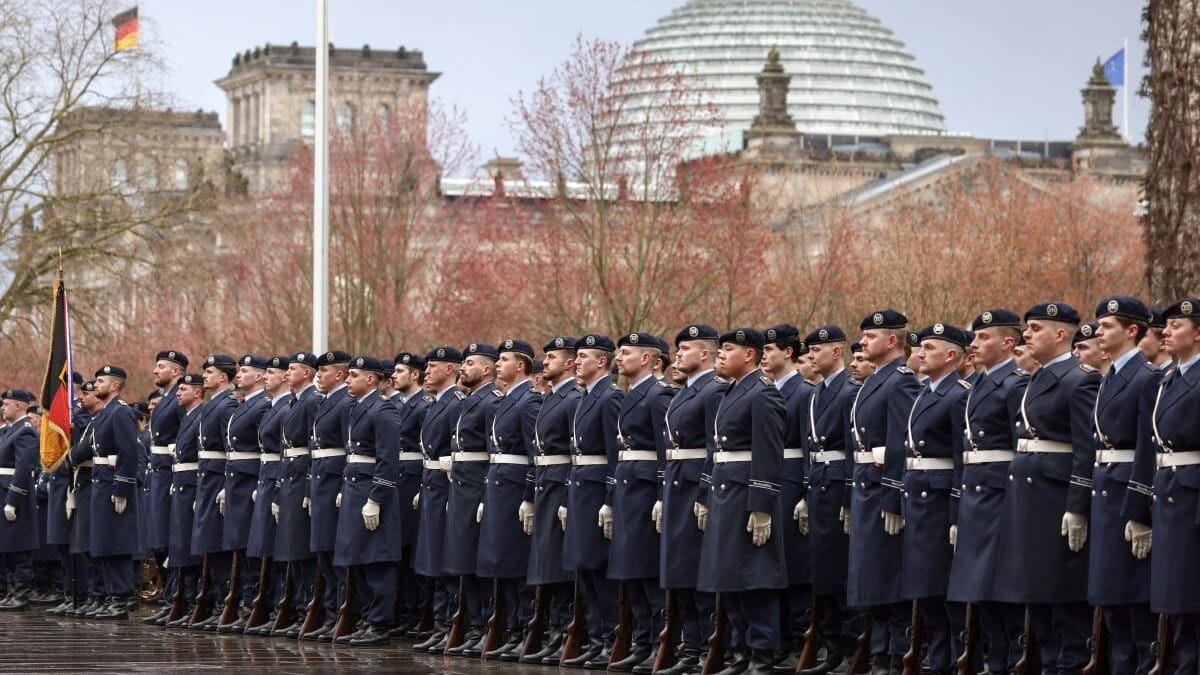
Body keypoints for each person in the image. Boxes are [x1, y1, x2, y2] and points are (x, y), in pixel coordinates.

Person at [993, 302, 1100, 674]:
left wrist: (1078, 506)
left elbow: (1086, 450)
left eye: (1036, 328)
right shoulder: (1035, 378)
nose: (1027, 335)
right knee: (1036, 602)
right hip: (1028, 498)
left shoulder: (1080, 378)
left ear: (1059, 334)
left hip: (1054, 501)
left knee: (1063, 605)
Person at [696, 327, 787, 675]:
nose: (720, 354)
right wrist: (705, 493)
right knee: (728, 576)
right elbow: (716, 450)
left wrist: (762, 506)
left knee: (754, 576)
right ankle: (739, 650)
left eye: (728, 349)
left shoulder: (762, 394)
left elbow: (768, 452)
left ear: (750, 354)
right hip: (725, 491)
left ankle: (762, 653)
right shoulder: (732, 391)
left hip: (747, 495)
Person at [947, 309, 1027, 675]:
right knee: (981, 593)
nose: (974, 344)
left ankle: (1012, 662)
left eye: (983, 338)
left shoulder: (1015, 383)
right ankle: (995, 663)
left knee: (1004, 592)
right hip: (976, 496)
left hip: (1000, 496)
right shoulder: (979, 383)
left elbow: (1019, 449)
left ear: (1008, 342)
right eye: (974, 338)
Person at [1128, 297, 1200, 672]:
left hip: (1192, 498)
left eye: (1176, 326)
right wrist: (1139, 508)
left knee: (1192, 603)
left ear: (1198, 333)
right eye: (1166, 327)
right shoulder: (1167, 380)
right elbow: (1148, 448)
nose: (1166, 332)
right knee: (1177, 605)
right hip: (1169, 495)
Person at [1088, 296, 1159, 674]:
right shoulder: (1111, 375)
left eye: (1107, 325)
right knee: (1111, 601)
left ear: (1131, 330)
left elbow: (1148, 449)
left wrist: (1139, 510)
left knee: (1134, 605)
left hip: (1125, 491)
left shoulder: (1146, 378)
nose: (1099, 331)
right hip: (1105, 491)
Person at [848, 309, 921, 673]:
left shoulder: (901, 381)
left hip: (882, 489)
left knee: (888, 576)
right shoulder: (877, 380)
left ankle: (895, 654)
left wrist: (893, 495)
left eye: (870, 337)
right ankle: (879, 650)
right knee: (870, 576)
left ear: (892, 341)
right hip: (864, 487)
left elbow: (899, 444)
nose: (863, 343)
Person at [902, 323, 972, 675]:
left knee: (944, 589)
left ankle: (955, 658)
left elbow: (962, 458)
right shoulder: (924, 392)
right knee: (925, 587)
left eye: (929, 347)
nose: (921, 352)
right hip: (919, 494)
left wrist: (958, 509)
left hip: (941, 498)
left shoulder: (958, 395)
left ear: (950, 356)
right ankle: (939, 657)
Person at [655, 324, 722, 675]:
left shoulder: (713, 391)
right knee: (679, 569)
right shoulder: (684, 390)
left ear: (706, 354)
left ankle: (706, 646)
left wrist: (706, 490)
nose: (678, 355)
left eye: (685, 349)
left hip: (696, 484)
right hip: (676, 482)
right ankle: (690, 645)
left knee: (696, 571)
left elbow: (715, 446)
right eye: (678, 349)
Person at [607, 331, 675, 672]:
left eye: (627, 353)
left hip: (646, 488)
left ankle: (658, 641)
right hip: (628, 486)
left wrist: (663, 494)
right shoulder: (631, 393)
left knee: (646, 568)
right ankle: (642, 639)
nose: (620, 358)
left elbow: (666, 449)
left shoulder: (658, 394)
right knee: (629, 568)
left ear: (648, 359)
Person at [328, 356, 404, 646]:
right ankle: (367, 617)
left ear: (371, 379)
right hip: (354, 488)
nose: (347, 379)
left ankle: (380, 622)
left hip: (372, 491)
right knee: (356, 559)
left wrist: (377, 498)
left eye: (354, 375)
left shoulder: (383, 410)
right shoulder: (359, 408)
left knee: (376, 560)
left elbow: (388, 460)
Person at [799, 325, 860, 675]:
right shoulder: (817, 393)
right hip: (819, 484)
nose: (810, 357)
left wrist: (849, 495)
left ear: (836, 352)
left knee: (839, 570)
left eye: (817, 350)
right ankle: (832, 647)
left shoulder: (849, 391)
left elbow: (853, 451)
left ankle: (851, 649)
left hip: (838, 486)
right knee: (821, 570)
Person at [519, 337, 582, 662]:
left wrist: (568, 494)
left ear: (570, 363)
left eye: (552, 356)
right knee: (546, 561)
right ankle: (554, 629)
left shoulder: (573, 398)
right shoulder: (551, 397)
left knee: (559, 563)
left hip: (561, 483)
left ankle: (565, 631)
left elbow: (576, 452)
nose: (545, 362)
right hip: (545, 482)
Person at [563, 334, 624, 669]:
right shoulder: (586, 396)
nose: (576, 361)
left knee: (598, 567)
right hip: (580, 487)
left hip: (597, 487)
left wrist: (610, 497)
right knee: (583, 566)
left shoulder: (609, 397)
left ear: (602, 361)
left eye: (583, 356)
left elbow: (615, 454)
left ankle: (610, 638)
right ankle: (597, 636)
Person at [479, 340, 542, 659]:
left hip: (515, 488)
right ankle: (508, 626)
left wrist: (529, 495)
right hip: (499, 486)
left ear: (521, 366)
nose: (498, 364)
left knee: (515, 561)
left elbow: (535, 454)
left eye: (504, 360)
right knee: (499, 560)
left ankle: (522, 627)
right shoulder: (505, 400)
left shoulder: (528, 401)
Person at [760, 324, 815, 673]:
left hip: (793, 482)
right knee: (771, 563)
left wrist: (807, 492)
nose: (764, 357)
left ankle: (798, 640)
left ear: (788, 353)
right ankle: (777, 638)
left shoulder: (804, 392)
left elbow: (812, 446)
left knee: (795, 566)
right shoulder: (766, 390)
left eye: (769, 351)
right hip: (771, 480)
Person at [443, 342, 502, 656]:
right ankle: (473, 623)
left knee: (479, 561)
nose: (463, 368)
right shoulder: (466, 400)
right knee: (462, 558)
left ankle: (485, 625)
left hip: (478, 485)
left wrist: (482, 494)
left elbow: (493, 452)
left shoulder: (491, 402)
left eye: (470, 363)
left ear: (487, 369)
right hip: (463, 485)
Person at [412, 346, 466, 653]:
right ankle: (440, 622)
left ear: (449, 370)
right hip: (431, 483)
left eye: (433, 367)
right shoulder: (435, 404)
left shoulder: (455, 403)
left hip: (446, 484)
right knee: (432, 556)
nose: (426, 372)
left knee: (446, 557)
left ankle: (450, 622)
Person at [301, 349, 355, 641]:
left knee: (336, 553)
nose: (318, 376)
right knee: (323, 551)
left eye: (323, 371)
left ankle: (341, 612)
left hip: (335, 482)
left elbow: (351, 449)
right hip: (321, 481)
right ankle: (332, 611)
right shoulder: (325, 403)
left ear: (339, 374)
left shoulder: (345, 403)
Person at [84, 366, 142, 620]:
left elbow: (128, 452)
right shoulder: (104, 413)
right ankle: (110, 595)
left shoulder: (120, 412)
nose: (96, 384)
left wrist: (121, 487)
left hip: (113, 485)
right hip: (101, 482)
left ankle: (120, 598)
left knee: (116, 543)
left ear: (116, 385)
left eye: (101, 381)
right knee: (104, 542)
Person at [270, 350, 321, 638]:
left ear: (308, 373)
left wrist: (308, 487)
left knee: (302, 548)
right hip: (289, 476)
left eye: (294, 369)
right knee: (291, 547)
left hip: (302, 477)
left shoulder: (312, 400)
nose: (287, 374)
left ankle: (307, 608)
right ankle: (300, 605)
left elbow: (316, 447)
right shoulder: (296, 400)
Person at [218, 354, 271, 632]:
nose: (240, 375)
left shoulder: (262, 405)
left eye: (247, 371)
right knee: (240, 544)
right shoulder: (244, 405)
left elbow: (265, 449)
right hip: (236, 480)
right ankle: (248, 602)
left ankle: (256, 604)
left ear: (261, 376)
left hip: (250, 480)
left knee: (252, 548)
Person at [243, 355, 293, 635]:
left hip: (277, 477)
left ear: (285, 377)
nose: (265, 377)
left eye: (270, 373)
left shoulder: (285, 407)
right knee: (262, 546)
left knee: (274, 547)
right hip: (266, 475)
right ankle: (266, 605)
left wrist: (275, 488)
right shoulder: (275, 405)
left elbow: (285, 452)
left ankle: (278, 606)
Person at [189, 354, 238, 630]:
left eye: (209, 372)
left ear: (223, 377)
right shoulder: (214, 403)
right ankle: (217, 600)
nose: (204, 376)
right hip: (207, 477)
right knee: (208, 542)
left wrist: (223, 486)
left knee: (217, 544)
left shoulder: (228, 404)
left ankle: (223, 602)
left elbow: (230, 449)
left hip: (219, 478)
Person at [141, 350, 187, 626]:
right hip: (157, 474)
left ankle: (176, 598)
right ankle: (170, 596)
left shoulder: (179, 400)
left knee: (168, 540)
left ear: (177, 372)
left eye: (162, 367)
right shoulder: (166, 400)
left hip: (170, 474)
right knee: (158, 539)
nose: (156, 371)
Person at [390, 352, 432, 637]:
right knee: (399, 550)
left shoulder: (423, 405)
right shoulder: (395, 404)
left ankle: (419, 612)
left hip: (413, 479)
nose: (394, 375)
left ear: (414, 374)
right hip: (396, 479)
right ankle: (403, 611)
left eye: (400, 371)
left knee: (413, 550)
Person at [163, 373, 206, 627]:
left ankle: (190, 599)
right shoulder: (189, 417)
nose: (178, 393)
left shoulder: (200, 415)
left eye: (184, 389)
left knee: (189, 547)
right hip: (181, 484)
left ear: (198, 392)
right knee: (178, 544)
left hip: (192, 485)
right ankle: (180, 598)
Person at [0, 389, 40, 611]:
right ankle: (11, 591)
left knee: (18, 546)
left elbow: (23, 469)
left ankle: (21, 593)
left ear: (19, 406)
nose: (3, 407)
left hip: (15, 495)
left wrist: (13, 499)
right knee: (7, 545)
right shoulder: (9, 431)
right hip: (3, 492)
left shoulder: (25, 432)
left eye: (7, 404)